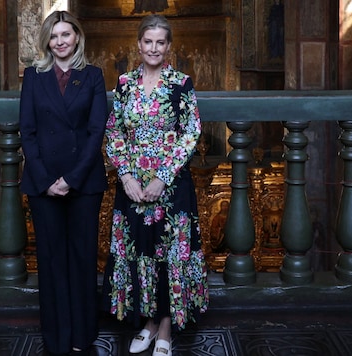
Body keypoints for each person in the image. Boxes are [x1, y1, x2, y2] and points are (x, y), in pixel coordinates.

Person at [102, 14, 209, 356]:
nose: (153, 48)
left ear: (168, 46)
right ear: (138, 44)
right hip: (132, 188)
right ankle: (147, 322)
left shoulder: (181, 84)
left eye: (160, 42)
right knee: (142, 253)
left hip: (171, 187)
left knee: (168, 257)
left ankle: (165, 327)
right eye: (148, 41)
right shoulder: (125, 84)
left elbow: (191, 131)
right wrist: (127, 176)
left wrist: (163, 177)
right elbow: (113, 130)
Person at [19, 10, 108, 356]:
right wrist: (47, 181)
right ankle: (56, 338)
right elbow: (27, 131)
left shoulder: (93, 76)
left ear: (77, 38)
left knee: (82, 259)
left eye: (65, 35)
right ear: (46, 41)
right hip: (43, 185)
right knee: (51, 259)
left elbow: (96, 131)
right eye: (54, 36)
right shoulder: (33, 76)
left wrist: (70, 179)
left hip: (84, 183)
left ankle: (82, 335)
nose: (60, 42)